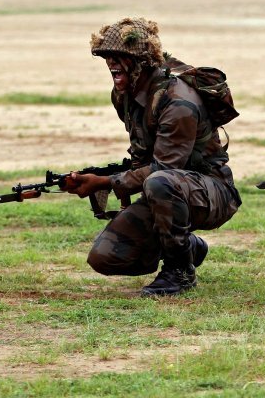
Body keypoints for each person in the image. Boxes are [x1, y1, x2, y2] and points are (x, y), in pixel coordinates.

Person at [64, 17, 241, 296]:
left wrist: (103, 183)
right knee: (106, 257)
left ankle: (179, 272)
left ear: (142, 61)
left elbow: (163, 169)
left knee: (160, 182)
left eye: (120, 57)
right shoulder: (125, 94)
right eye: (107, 57)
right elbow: (140, 160)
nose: (111, 64)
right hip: (168, 188)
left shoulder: (177, 99)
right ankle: (189, 247)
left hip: (213, 192)